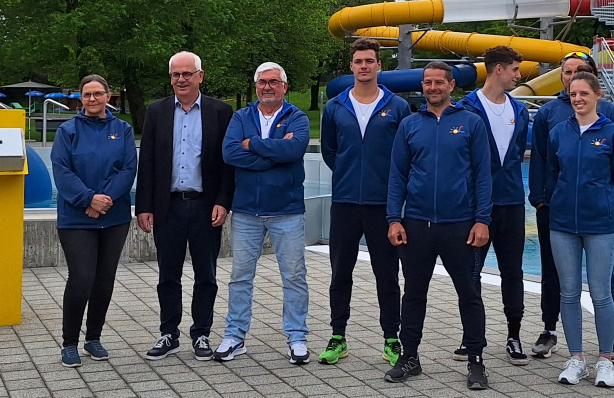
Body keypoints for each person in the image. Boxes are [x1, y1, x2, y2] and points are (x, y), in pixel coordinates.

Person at [385, 61, 493, 389]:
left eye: (439, 83)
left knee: (469, 294)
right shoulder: (409, 125)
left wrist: (482, 220)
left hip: (459, 224)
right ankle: (410, 357)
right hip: (417, 223)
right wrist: (394, 219)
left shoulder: (471, 123)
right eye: (427, 82)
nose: (433, 88)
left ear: (451, 85)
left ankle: (475, 360)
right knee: (414, 293)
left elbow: (482, 176)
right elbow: (397, 176)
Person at [136, 52, 235, 361]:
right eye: (176, 74)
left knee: (206, 275)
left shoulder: (221, 112)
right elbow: (148, 161)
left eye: (187, 74)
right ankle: (169, 333)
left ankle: (202, 334)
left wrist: (223, 201)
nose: (181, 79)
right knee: (168, 274)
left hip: (206, 206)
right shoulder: (157, 111)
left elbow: (227, 164)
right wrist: (144, 206)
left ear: (200, 76)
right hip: (168, 207)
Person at [318, 39, 412, 366]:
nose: (364, 66)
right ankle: (338, 336)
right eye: (358, 61)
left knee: (386, 273)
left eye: (370, 61)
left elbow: (404, 155)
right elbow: (331, 152)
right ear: (351, 66)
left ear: (379, 65)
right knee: (340, 273)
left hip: (382, 204)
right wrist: (349, 173)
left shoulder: (397, 107)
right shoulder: (335, 107)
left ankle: (391, 338)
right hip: (345, 202)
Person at [528, 50, 614, 359]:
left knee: (602, 283)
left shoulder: (610, 117)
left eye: (579, 72)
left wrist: (610, 208)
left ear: (594, 82)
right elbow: (543, 164)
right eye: (568, 73)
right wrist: (541, 199)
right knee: (555, 275)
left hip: (598, 218)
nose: (573, 81)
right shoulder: (550, 117)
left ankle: (607, 343)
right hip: (558, 214)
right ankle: (552, 331)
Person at [218, 62, 312, 364]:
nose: (267, 87)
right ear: (256, 85)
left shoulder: (297, 117)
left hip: (287, 211)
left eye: (273, 81)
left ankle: (297, 337)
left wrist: (254, 145)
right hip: (246, 211)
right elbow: (230, 153)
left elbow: (294, 152)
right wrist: (273, 154)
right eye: (262, 82)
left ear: (284, 86)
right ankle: (235, 336)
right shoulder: (240, 116)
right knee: (240, 276)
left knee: (294, 276)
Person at [50, 75, 137, 368]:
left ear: (108, 96)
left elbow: (127, 169)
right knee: (81, 278)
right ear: (80, 98)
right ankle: (70, 343)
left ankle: (93, 338)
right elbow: (62, 171)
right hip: (77, 218)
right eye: (87, 94)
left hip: (114, 217)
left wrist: (104, 201)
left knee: (104, 278)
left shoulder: (122, 129)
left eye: (98, 94)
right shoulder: (67, 131)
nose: (92, 99)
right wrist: (89, 199)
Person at [460, 45, 531, 364]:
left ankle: (514, 336)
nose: (519, 74)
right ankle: (471, 336)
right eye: (515, 69)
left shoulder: (521, 110)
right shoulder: (467, 108)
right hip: (476, 207)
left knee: (512, 272)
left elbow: (515, 156)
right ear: (498, 69)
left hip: (511, 202)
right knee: (470, 273)